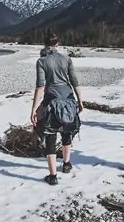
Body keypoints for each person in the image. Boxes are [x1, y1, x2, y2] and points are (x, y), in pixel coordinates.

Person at [30, 32, 84, 185]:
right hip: (68, 99)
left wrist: (34, 109)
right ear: (58, 44)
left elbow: (40, 87)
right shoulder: (67, 59)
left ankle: (53, 176)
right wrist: (80, 100)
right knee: (67, 132)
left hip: (51, 101)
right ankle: (66, 164)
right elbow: (75, 82)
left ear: (45, 45)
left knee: (50, 136)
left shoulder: (42, 61)